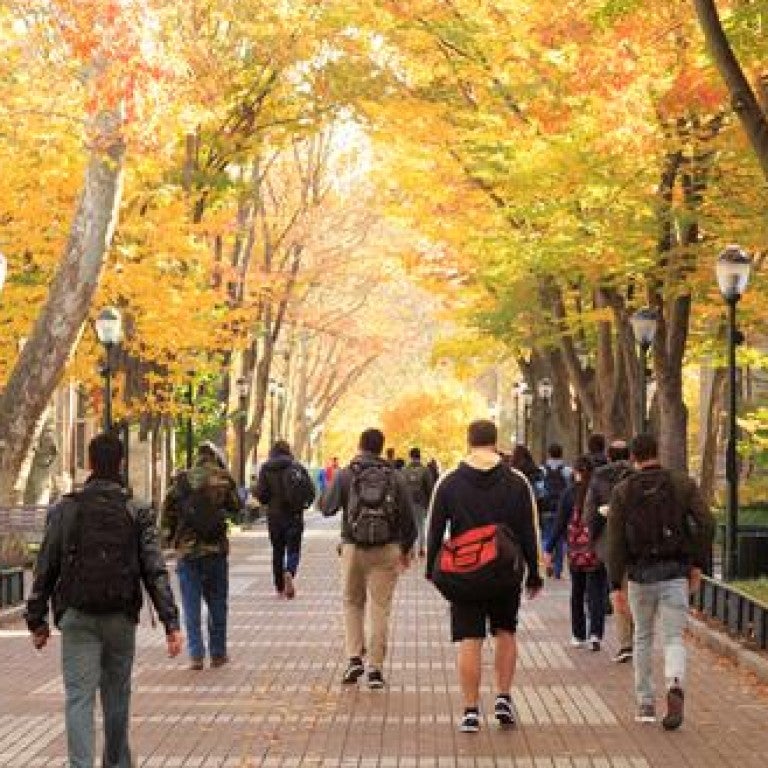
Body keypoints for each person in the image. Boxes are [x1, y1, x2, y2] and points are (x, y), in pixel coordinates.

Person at [25, 433, 182, 768]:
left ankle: (80, 765)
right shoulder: (136, 510)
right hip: (120, 616)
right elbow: (154, 568)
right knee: (116, 696)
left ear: (90, 464)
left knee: (79, 697)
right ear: (121, 463)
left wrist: (36, 620)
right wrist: (171, 622)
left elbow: (46, 566)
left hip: (77, 615)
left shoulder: (66, 508)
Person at [426, 420, 543, 733]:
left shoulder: (449, 482)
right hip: (505, 570)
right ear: (495, 441)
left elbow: (434, 528)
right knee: (506, 631)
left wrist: (433, 571)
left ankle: (470, 709)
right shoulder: (517, 482)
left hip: (465, 572)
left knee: (470, 638)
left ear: (469, 441)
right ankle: (503, 697)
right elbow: (530, 530)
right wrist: (534, 572)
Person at [607, 433, 714, 730]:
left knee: (642, 636)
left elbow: (615, 542)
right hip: (675, 572)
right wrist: (697, 564)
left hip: (640, 575)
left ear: (633, 458)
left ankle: (645, 702)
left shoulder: (623, 491)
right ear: (658, 452)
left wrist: (615, 584)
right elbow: (706, 523)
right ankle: (675, 682)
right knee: (673, 637)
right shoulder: (681, 484)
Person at [321, 428, 417, 689]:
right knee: (380, 607)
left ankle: (354, 658)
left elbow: (326, 508)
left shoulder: (346, 474)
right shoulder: (394, 477)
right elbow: (409, 519)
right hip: (387, 549)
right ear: (381, 447)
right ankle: (375, 668)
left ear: (360, 445)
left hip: (352, 547)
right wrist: (405, 549)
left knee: (352, 603)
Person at [162, 441, 241, 670]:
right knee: (218, 602)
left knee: (190, 604)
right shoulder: (223, 478)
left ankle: (196, 655)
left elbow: (166, 515)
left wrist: (170, 538)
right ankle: (218, 653)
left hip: (188, 553)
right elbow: (237, 507)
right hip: (216, 550)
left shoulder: (181, 480)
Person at [544, 455, 607, 651]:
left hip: (575, 552)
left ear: (576, 472)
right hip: (596, 550)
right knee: (596, 593)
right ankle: (595, 634)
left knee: (577, 592)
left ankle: (578, 634)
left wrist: (549, 549)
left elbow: (559, 524)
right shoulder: (600, 493)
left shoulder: (569, 494)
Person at [584, 439, 635, 662]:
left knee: (617, 590)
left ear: (609, 455)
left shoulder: (598, 478)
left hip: (609, 542)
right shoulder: (636, 476)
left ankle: (625, 643)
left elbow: (590, 512)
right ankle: (636, 638)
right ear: (629, 455)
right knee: (634, 589)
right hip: (636, 542)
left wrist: (593, 539)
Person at [254, 440, 316, 599]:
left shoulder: (266, 469)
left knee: (277, 550)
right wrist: (304, 504)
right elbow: (310, 490)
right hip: (294, 515)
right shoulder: (296, 467)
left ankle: (279, 587)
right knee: (294, 549)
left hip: (274, 516)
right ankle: (289, 571)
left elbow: (261, 495)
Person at [538, 443, 572, 579]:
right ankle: (558, 570)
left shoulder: (542, 470)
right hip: (562, 509)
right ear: (561, 453)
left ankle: (547, 562)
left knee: (546, 536)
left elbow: (540, 489)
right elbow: (570, 489)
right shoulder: (567, 470)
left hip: (546, 508)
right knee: (561, 539)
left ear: (549, 453)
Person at [403, 447, 435, 558]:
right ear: (419, 456)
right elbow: (430, 487)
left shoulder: (405, 470)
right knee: (421, 526)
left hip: (408, 503)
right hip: (421, 502)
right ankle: (421, 549)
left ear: (410, 456)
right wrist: (430, 503)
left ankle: (411, 550)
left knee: (410, 526)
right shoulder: (425, 470)